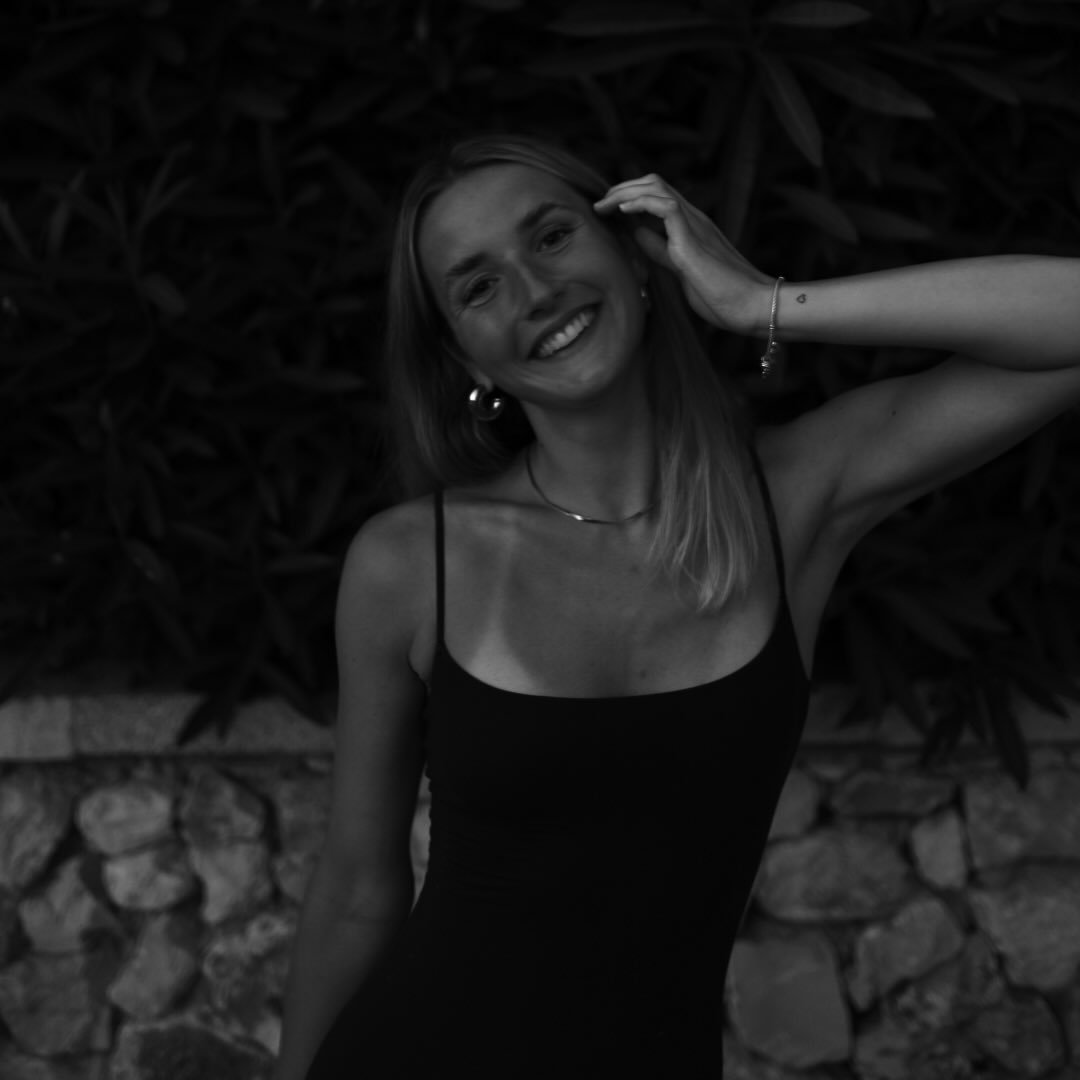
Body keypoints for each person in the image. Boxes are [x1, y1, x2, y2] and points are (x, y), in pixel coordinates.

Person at [273, 132, 1080, 1079]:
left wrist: (757, 300)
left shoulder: (792, 500)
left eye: (552, 237)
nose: (535, 292)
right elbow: (358, 890)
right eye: (479, 287)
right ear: (464, 356)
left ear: (637, 254)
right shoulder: (413, 562)